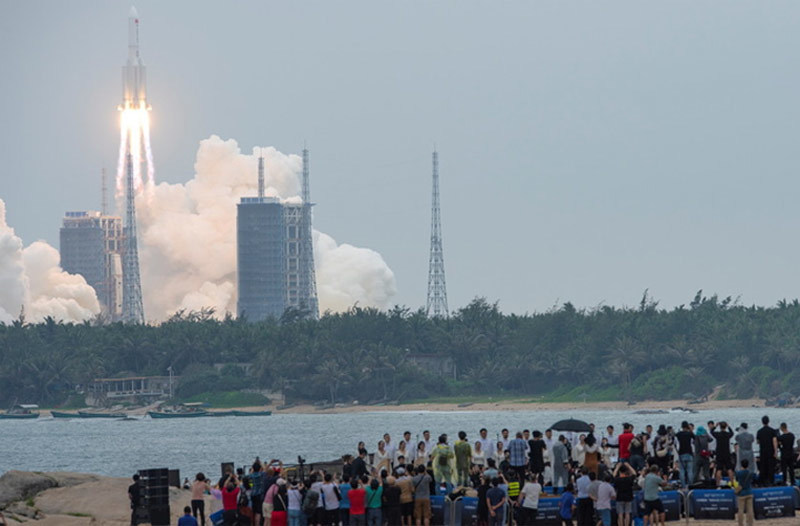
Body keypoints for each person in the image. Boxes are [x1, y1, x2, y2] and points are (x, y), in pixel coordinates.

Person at [755, 415, 778, 486]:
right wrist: (775, 451)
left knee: (763, 466)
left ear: (762, 422)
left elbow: (757, 442)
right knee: (771, 467)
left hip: (763, 451)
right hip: (770, 451)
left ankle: (762, 481)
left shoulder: (759, 431)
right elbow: (774, 441)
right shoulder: (772, 431)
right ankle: (771, 481)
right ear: (768, 421)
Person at [712, 421, 734, 486]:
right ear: (725, 427)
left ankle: (718, 484)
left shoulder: (718, 434)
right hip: (727, 453)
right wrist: (729, 426)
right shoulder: (728, 434)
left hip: (719, 453)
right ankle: (732, 483)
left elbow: (711, 432)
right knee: (729, 469)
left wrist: (715, 426)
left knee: (719, 469)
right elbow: (732, 433)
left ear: (720, 427)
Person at [674, 421, 695, 487]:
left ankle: (683, 485)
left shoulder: (679, 434)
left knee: (682, 470)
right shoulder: (690, 434)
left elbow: (674, 440)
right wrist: (691, 430)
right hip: (689, 453)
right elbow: (695, 439)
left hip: (681, 453)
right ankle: (690, 485)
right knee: (690, 470)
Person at [735, 459, 755, 526]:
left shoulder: (739, 473)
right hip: (749, 492)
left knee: (740, 510)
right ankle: (750, 523)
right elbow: (755, 477)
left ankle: (740, 524)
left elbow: (737, 480)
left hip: (741, 493)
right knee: (750, 510)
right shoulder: (750, 473)